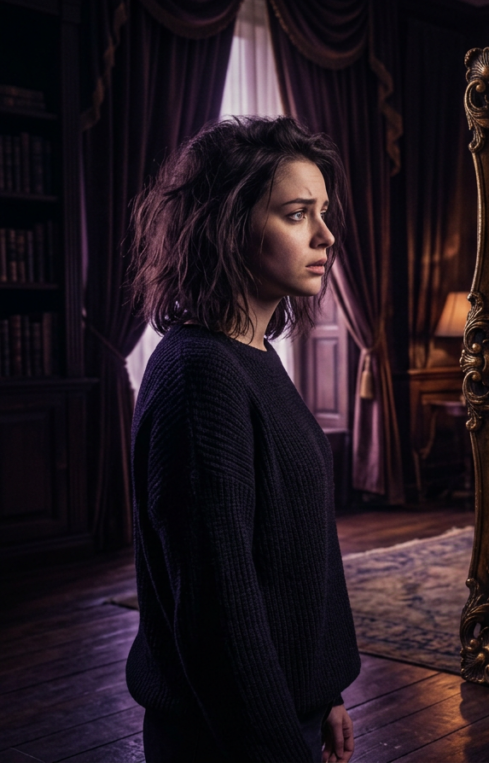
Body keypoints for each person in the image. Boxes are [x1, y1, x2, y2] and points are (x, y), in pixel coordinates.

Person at [127, 116, 360, 762]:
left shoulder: (250, 355)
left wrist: (326, 689)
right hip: (223, 743)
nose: (325, 234)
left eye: (324, 212)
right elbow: (219, 618)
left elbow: (294, 553)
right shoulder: (200, 376)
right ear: (229, 226)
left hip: (285, 717)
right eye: (296, 214)